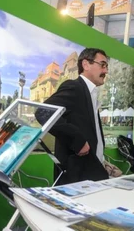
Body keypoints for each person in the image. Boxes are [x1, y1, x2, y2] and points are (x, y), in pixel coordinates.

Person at [36, 48, 118, 184]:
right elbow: (43, 112)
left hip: (92, 172)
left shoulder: (92, 94)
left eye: (106, 66)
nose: (106, 71)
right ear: (86, 64)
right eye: (102, 65)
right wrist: (76, 140)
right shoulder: (74, 87)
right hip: (76, 177)